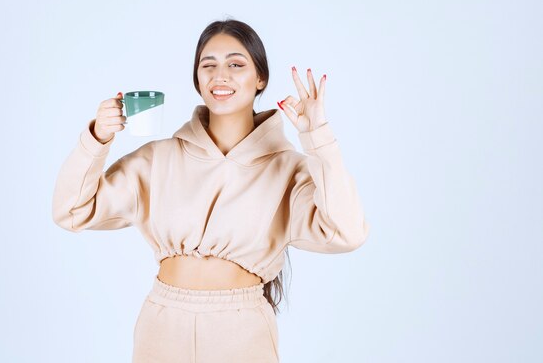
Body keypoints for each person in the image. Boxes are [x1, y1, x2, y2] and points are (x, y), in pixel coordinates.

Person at [52, 18, 370, 363]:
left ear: (260, 78)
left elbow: (346, 233)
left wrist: (318, 137)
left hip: (242, 330)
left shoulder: (288, 168)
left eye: (236, 64)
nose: (221, 76)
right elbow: (72, 211)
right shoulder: (159, 158)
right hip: (162, 325)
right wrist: (96, 137)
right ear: (197, 79)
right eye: (209, 65)